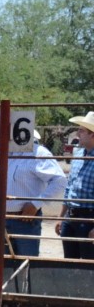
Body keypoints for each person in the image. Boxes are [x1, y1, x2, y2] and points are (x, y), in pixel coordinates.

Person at [0, 127, 67, 257]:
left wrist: (35, 204)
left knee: (26, 263)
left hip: (25, 221)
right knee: (5, 265)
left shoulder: (38, 153)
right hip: (3, 219)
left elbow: (59, 181)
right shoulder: (7, 154)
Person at [55, 111, 94, 259]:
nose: (78, 133)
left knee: (88, 265)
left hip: (89, 217)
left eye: (82, 130)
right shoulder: (78, 154)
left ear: (92, 135)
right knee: (70, 261)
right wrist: (60, 217)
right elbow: (69, 188)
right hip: (70, 216)